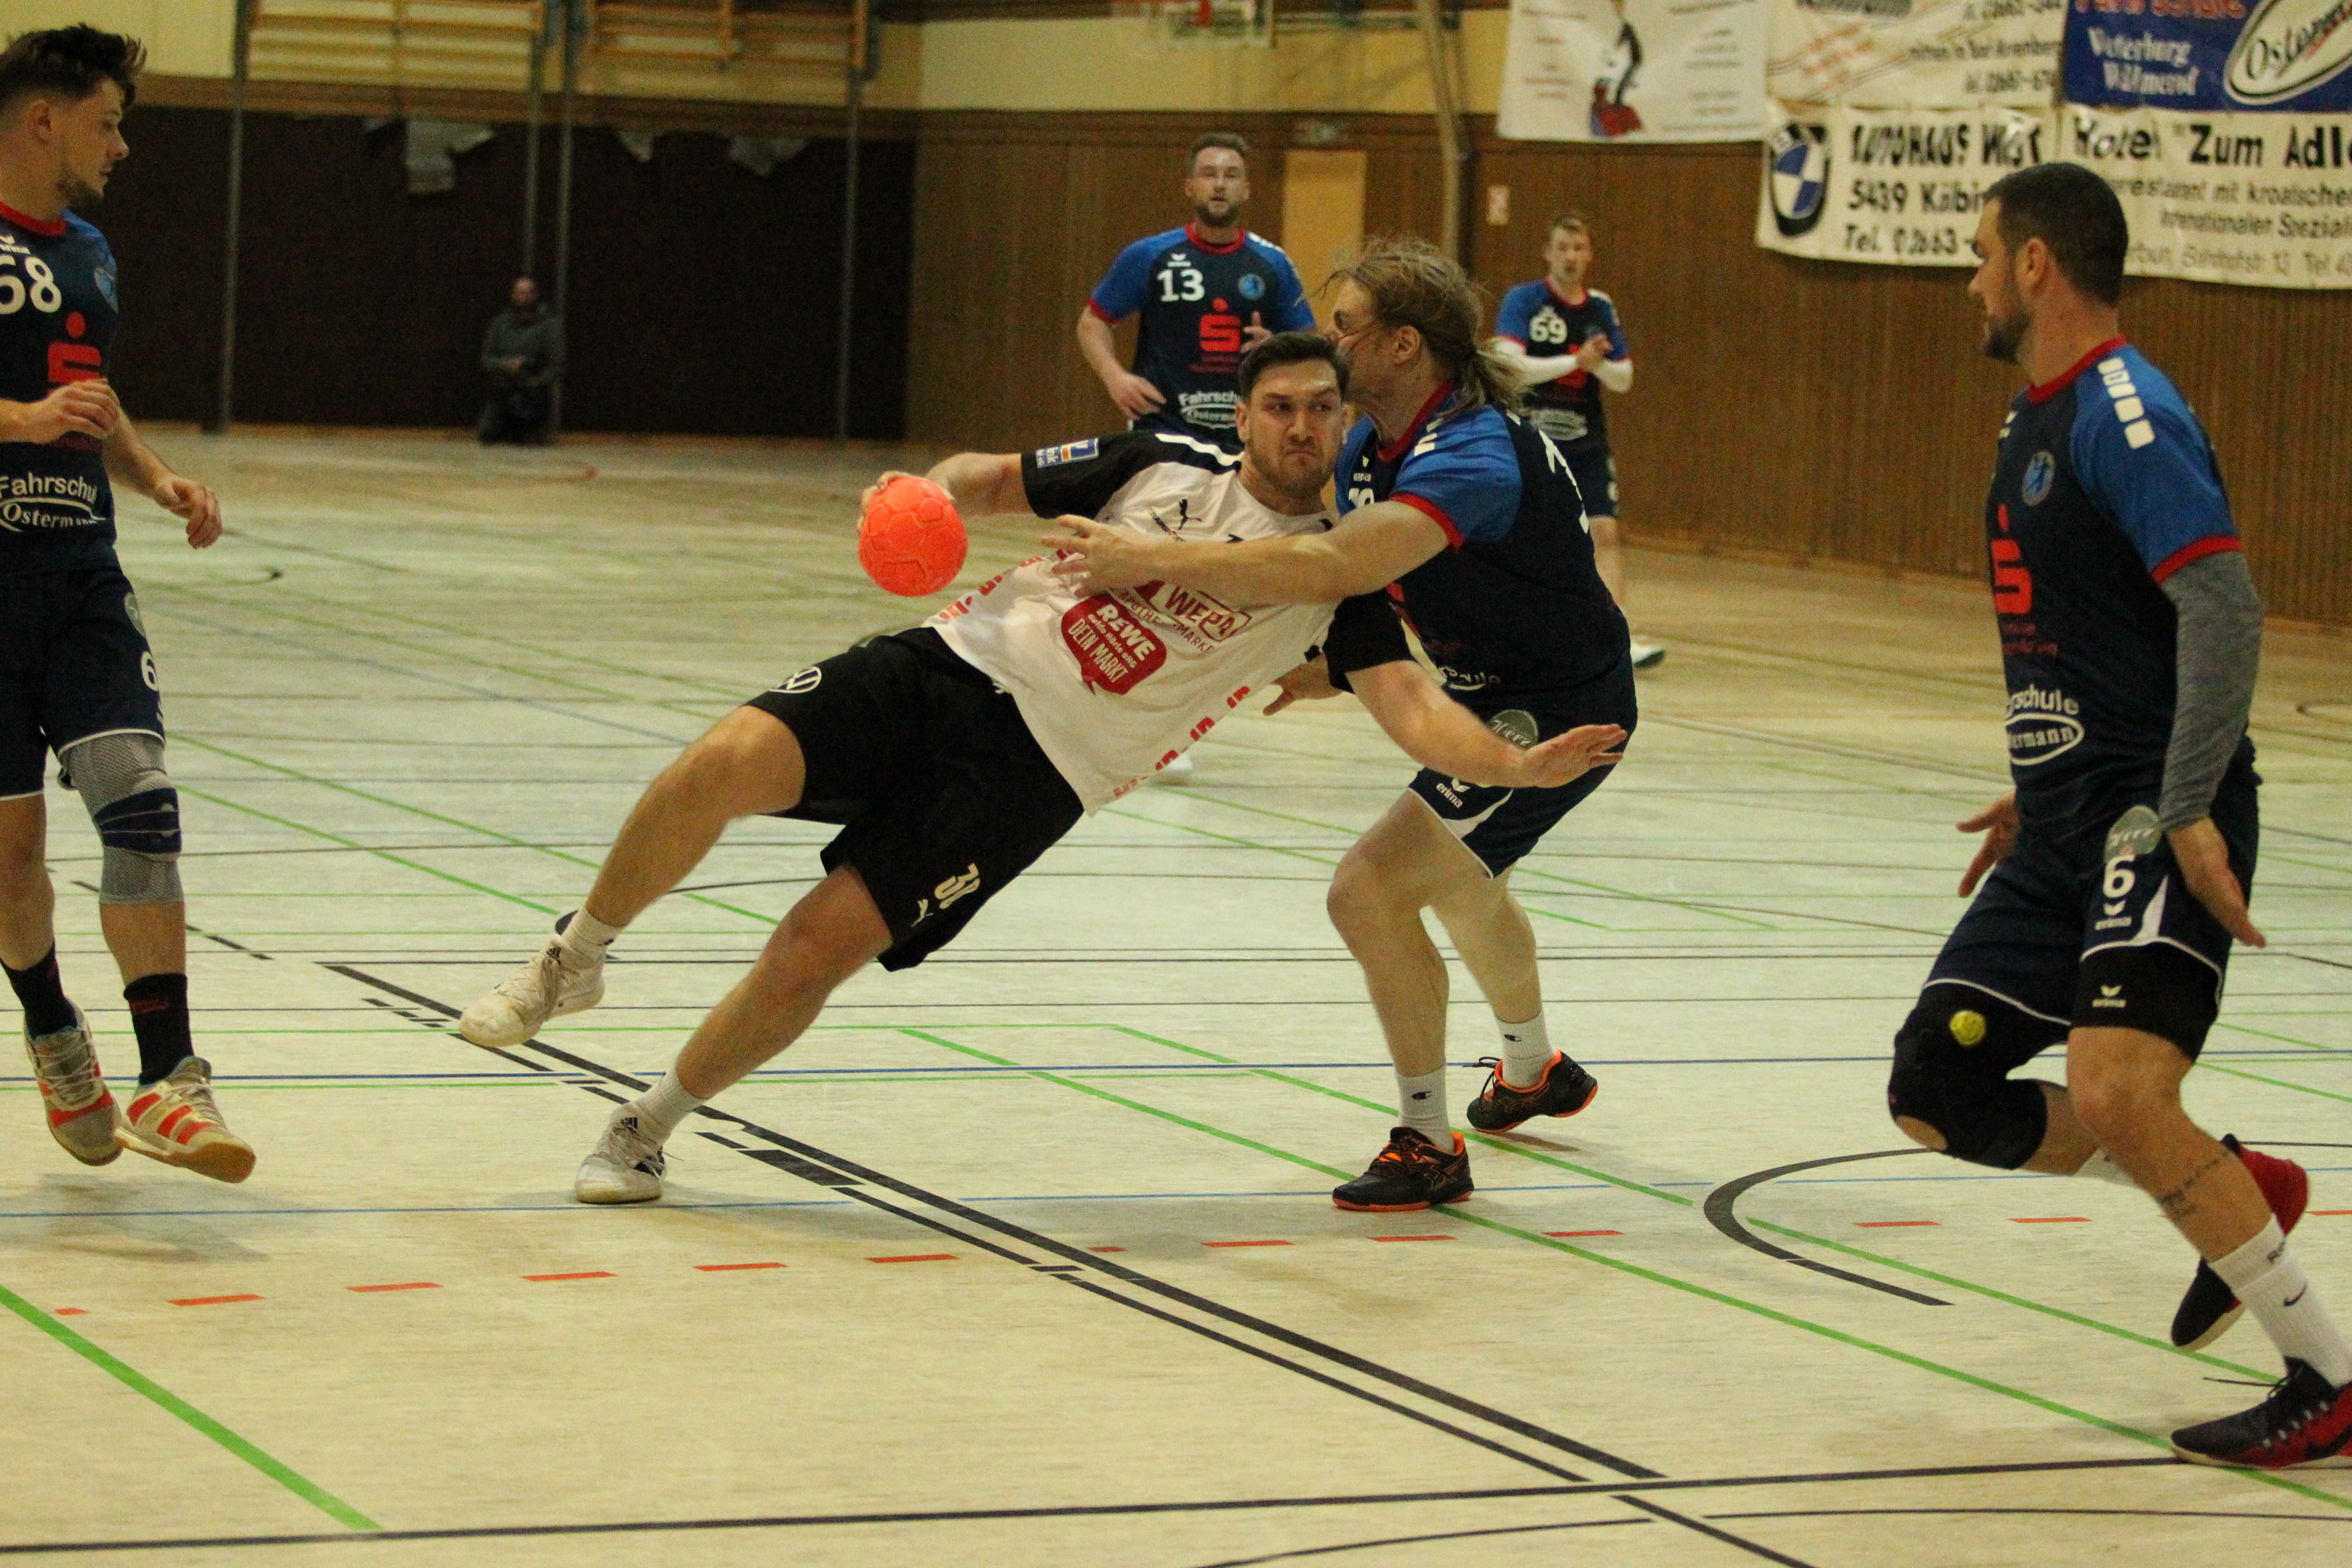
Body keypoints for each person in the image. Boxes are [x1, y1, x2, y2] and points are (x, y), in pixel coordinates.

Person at [454, 333, 1625, 1204]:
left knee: (811, 948)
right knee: (722, 759)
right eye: (1280, 407)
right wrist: (914, 497)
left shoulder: (1336, 581)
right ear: (1245, 416)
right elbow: (982, 474)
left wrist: (1511, 766)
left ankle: (645, 1128)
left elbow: (1413, 710)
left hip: (1031, 781)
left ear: (1344, 424)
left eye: (1324, 409)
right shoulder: (1159, 462)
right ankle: (573, 959)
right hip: (946, 667)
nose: (1303, 428)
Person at [1886, 161, 2349, 1469]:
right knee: (1936, 1089)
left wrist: (2187, 799)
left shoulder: (2125, 413)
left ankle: (2329, 1376)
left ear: (2036, 265)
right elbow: (2089, 629)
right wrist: (2039, 781)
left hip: (2152, 815)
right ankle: (2235, 1182)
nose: (1970, 281)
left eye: (1981, 254)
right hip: (2066, 817)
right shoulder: (2032, 416)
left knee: (2118, 1086)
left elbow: (2223, 606)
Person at [1051, 239, 1636, 1213]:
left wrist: (1151, 558)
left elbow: (1336, 567)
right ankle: (1535, 1069)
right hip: (1489, 686)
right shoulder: (1373, 445)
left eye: (1346, 327)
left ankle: (1428, 1141)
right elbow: (1393, 587)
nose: (1329, 341)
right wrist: (1336, 668)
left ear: (1403, 346)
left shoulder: (1475, 457)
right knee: (1465, 884)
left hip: (1554, 710)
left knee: (1368, 891)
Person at [0, 26, 252, 1183]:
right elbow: (42, 409)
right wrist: (19, 422)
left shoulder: (92, 251)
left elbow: (90, 395)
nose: (122, 145)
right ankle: (53, 1027)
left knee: (141, 800)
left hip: (81, 575)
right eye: (106, 122)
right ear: (42, 119)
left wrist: (153, 478)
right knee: (12, 859)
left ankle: (171, 1078)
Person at [1490, 210, 1661, 669]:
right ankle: (1518, 633)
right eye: (1562, 248)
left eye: (1578, 248)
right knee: (1529, 538)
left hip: (1586, 441)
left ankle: (1614, 639)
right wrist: (1574, 363)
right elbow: (1508, 366)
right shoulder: (1525, 300)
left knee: (1605, 533)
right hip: (1531, 440)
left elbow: (1624, 378)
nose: (1570, 257)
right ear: (1548, 254)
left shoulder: (1599, 308)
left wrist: (1596, 364)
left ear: (1590, 256)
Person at [1076, 133, 1315, 449]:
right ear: (1189, 186)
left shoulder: (1273, 263)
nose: (1220, 185)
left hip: (1244, 437)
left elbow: (1310, 346)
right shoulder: (1149, 255)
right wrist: (1115, 378)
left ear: (1247, 190)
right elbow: (1092, 323)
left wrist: (1276, 347)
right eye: (1209, 174)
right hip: (1161, 431)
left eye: (1231, 175)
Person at [477, 275, 562, 444]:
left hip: (533, 392)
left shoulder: (550, 326)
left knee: (525, 438)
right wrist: (506, 365)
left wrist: (534, 378)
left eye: (529, 293)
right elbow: (486, 360)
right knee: (487, 435)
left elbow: (557, 365)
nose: (524, 298)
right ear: (513, 295)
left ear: (536, 295)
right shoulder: (500, 324)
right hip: (503, 390)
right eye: (520, 293)